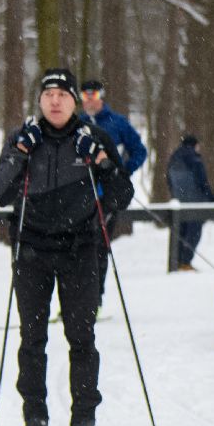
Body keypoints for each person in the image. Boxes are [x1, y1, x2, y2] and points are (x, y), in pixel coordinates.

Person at [0, 68, 133, 426]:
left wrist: (101, 162)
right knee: (32, 341)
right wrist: (20, 153)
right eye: (48, 94)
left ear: (75, 101)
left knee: (82, 340)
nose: (55, 101)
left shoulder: (94, 137)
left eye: (63, 94)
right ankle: (34, 421)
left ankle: (83, 424)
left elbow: (123, 192)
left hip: (81, 251)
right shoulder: (23, 139)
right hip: (32, 251)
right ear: (40, 100)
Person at [81, 79, 147, 300]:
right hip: (77, 196)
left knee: (98, 247)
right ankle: (72, 300)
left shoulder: (117, 123)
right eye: (84, 96)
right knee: (75, 249)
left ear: (102, 96)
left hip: (106, 196)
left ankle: (94, 299)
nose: (89, 101)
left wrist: (123, 172)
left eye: (94, 96)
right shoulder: (76, 123)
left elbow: (139, 150)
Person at [165, 134, 214, 271]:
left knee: (179, 232)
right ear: (194, 145)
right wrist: (211, 199)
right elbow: (202, 181)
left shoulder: (174, 158)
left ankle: (176, 262)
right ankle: (185, 262)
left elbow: (169, 180)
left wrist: (175, 195)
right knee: (194, 232)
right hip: (195, 202)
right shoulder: (194, 158)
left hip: (179, 203)